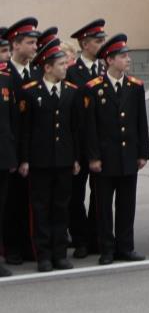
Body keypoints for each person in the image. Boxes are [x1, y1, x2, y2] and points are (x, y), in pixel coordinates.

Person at [82, 33, 149, 265]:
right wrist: (93, 157)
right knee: (103, 206)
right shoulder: (94, 88)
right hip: (105, 157)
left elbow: (141, 122)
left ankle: (126, 247)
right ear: (109, 60)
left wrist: (143, 153)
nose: (128, 59)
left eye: (128, 55)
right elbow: (90, 127)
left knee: (126, 204)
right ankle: (107, 249)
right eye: (122, 56)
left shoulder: (135, 87)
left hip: (128, 155)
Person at [17, 39, 82, 272]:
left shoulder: (72, 92)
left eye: (66, 63)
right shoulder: (31, 93)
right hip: (40, 160)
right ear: (47, 67)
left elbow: (75, 129)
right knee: (41, 208)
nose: (66, 67)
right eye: (61, 64)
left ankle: (60, 254)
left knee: (60, 207)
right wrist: (24, 159)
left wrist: (76, 158)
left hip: (64, 159)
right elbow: (25, 130)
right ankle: (43, 255)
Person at [66, 19, 107, 259]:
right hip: (79, 142)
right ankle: (80, 238)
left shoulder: (105, 69)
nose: (102, 45)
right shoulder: (72, 71)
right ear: (84, 43)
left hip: (102, 143)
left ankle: (95, 238)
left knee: (100, 194)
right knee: (75, 194)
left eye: (103, 40)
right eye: (97, 41)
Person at [4, 18, 42, 266]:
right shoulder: (4, 75)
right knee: (11, 202)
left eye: (35, 43)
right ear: (15, 45)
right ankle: (12, 247)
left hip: (35, 149)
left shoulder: (38, 73)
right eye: (30, 43)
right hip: (11, 149)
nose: (35, 47)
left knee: (32, 202)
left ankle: (30, 246)